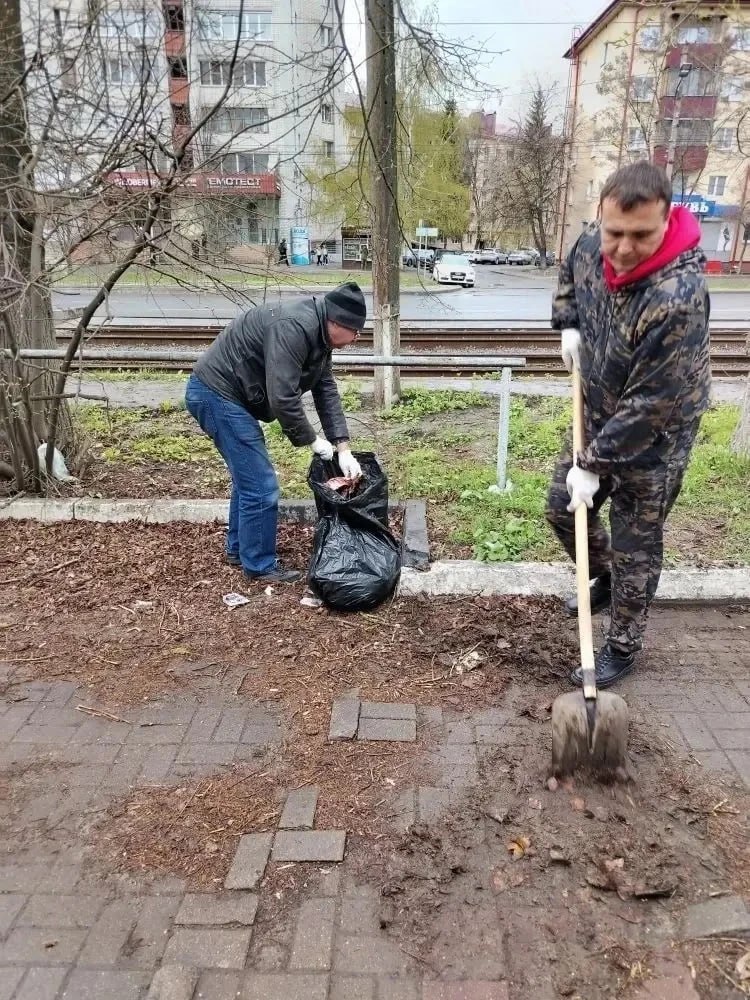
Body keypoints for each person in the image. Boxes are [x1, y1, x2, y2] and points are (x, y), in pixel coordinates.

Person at [547, 161, 711, 689]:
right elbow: (571, 274)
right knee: (561, 507)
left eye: (641, 236)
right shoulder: (591, 244)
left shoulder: (679, 297)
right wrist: (568, 323)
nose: (622, 248)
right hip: (599, 405)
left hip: (657, 437)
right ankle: (606, 577)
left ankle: (622, 644)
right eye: (614, 232)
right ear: (602, 216)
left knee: (635, 542)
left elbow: (649, 405)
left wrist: (593, 465)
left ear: (666, 221)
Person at [185, 282, 366, 583]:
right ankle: (259, 566)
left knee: (249, 477)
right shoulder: (294, 327)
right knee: (261, 484)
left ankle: (239, 549)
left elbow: (325, 389)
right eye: (356, 331)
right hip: (216, 394)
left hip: (231, 396)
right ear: (336, 322)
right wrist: (312, 440)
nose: (357, 338)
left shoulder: (320, 335)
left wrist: (343, 446)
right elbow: (282, 397)